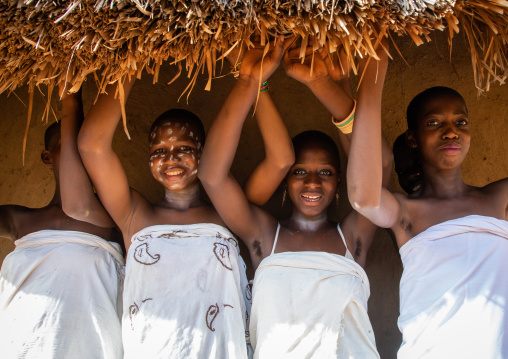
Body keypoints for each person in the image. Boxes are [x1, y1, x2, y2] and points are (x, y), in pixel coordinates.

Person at [199, 36, 392, 358]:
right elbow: (212, 177)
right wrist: (250, 82)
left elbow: (380, 163)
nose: (313, 183)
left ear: (340, 180)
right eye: (300, 172)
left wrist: (321, 84)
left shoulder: (353, 237)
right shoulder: (264, 235)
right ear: (286, 180)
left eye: (325, 172)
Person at [76, 70, 290, 357]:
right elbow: (91, 145)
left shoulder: (227, 211)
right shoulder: (134, 216)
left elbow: (280, 160)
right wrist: (128, 66)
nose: (171, 159)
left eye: (185, 148)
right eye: (159, 150)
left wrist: (256, 82)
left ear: (205, 153)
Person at [347, 44, 508, 358]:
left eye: (460, 122)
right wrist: (373, 73)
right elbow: (364, 199)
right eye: (435, 123)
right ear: (413, 138)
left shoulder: (499, 199)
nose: (451, 132)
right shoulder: (407, 212)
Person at [0, 87, 125, 359]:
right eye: (64, 147)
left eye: (80, 149)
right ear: (47, 157)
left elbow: (78, 203)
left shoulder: (116, 219)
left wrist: (71, 101)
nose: (74, 157)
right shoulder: (17, 220)